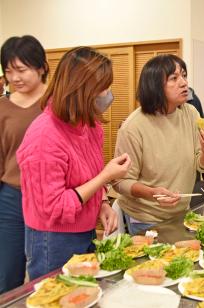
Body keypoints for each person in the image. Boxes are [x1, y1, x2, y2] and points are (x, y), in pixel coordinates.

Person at [16, 46, 131, 279]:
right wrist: (105, 177)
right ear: (82, 89)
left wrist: (103, 204)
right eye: (103, 87)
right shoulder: (44, 136)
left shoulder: (88, 126)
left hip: (84, 231)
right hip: (52, 239)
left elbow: (88, 178)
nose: (108, 93)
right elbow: (54, 207)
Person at [113, 54, 204, 235]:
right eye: (174, 78)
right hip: (146, 218)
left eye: (184, 75)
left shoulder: (190, 113)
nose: (184, 83)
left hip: (181, 214)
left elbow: (199, 162)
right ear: (154, 86)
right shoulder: (134, 127)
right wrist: (152, 193)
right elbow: (120, 181)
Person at [0, 35, 48, 293]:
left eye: (21, 69)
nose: (14, 77)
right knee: (8, 272)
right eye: (8, 71)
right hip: (11, 197)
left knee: (47, 268)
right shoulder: (2, 107)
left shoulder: (56, 103)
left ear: (41, 67)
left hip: (48, 196)